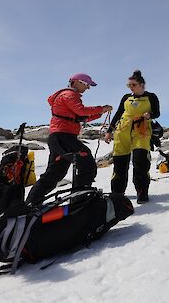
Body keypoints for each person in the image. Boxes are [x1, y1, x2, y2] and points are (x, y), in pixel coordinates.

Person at [26, 73, 113, 204]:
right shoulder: (69, 95)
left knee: (55, 173)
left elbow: (82, 117)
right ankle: (80, 201)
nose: (88, 88)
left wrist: (100, 112)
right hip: (63, 137)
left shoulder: (69, 96)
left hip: (60, 138)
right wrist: (101, 108)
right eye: (87, 84)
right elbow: (81, 111)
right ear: (77, 82)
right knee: (86, 162)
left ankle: (30, 204)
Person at [103, 70, 160, 204]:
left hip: (141, 129)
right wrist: (109, 130)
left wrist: (149, 115)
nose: (131, 88)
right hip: (123, 130)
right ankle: (117, 193)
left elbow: (157, 113)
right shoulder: (126, 97)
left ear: (141, 85)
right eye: (129, 85)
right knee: (119, 163)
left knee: (140, 161)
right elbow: (118, 113)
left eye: (133, 85)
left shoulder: (151, 97)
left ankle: (141, 191)